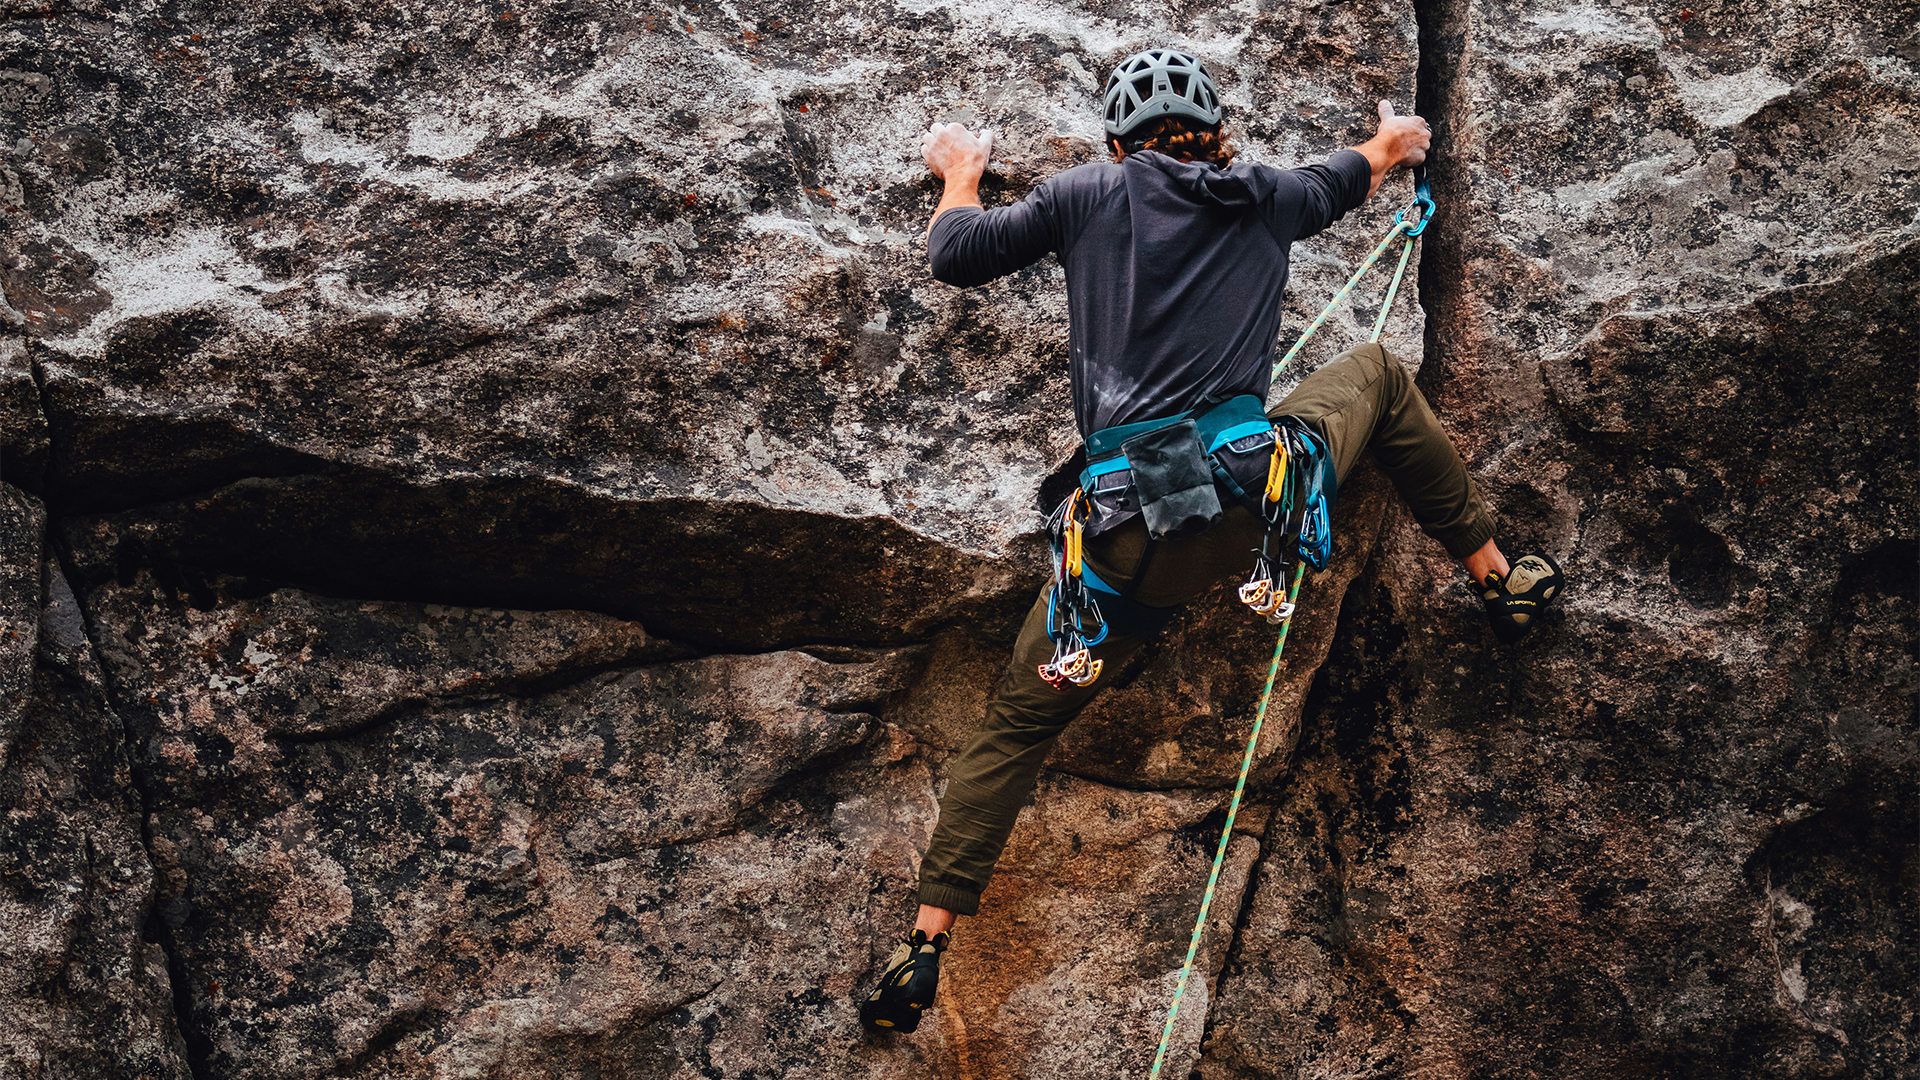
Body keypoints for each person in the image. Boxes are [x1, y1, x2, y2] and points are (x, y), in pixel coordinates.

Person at [858, 48, 1564, 1034]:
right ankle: (1500, 577)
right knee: (1375, 376)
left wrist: (962, 173)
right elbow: (1359, 167)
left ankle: (923, 946)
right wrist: (1396, 141)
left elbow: (955, 254)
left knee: (1015, 729)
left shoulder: (1085, 194)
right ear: (1214, 131)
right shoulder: (1268, 196)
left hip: (1112, 551)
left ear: (1118, 142)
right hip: (1244, 507)